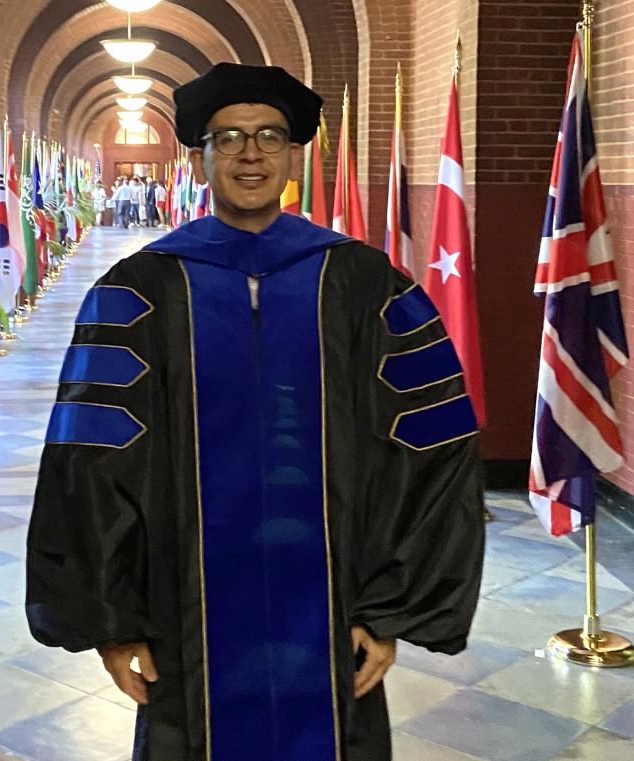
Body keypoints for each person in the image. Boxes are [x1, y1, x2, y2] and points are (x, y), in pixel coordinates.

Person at [26, 63, 484, 761]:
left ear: (293, 153)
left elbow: (428, 450)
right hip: (185, 622)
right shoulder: (138, 292)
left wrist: (390, 608)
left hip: (333, 617)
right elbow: (88, 466)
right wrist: (114, 622)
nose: (250, 153)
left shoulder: (365, 286)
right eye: (229, 137)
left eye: (269, 135)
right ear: (202, 154)